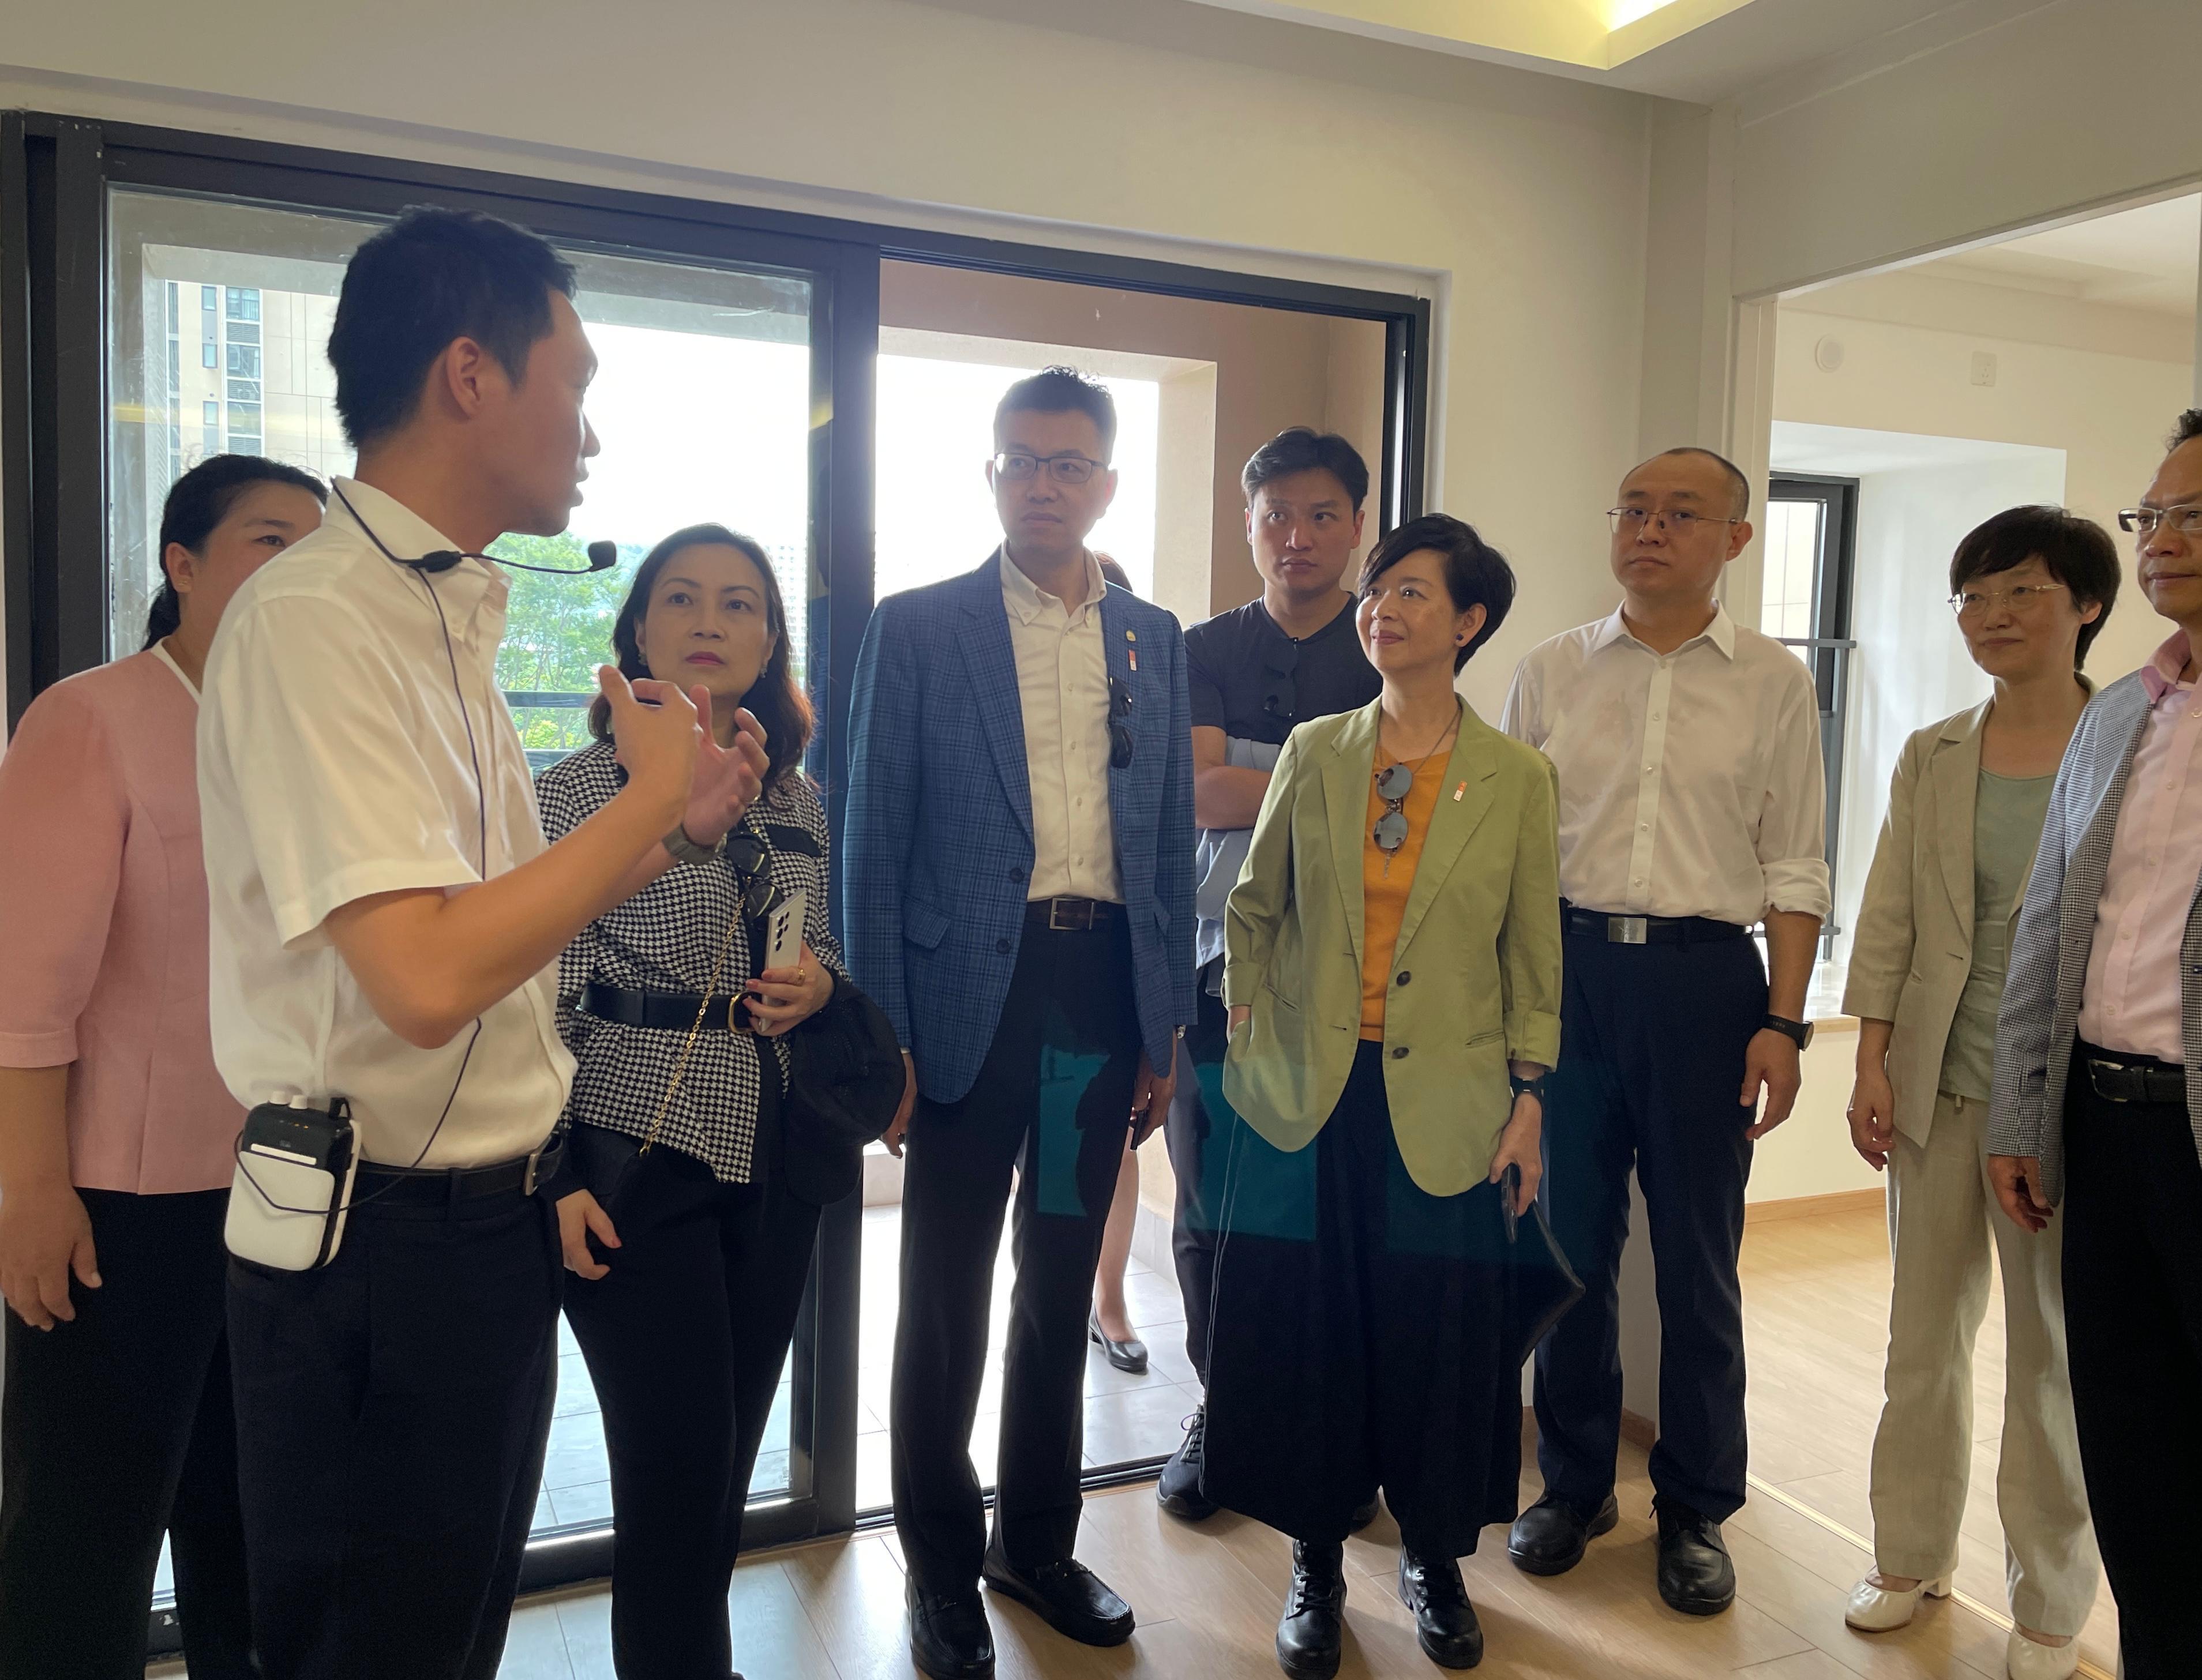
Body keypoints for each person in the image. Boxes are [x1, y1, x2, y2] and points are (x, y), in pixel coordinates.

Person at [195, 208, 765, 1680]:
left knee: (440, 1632)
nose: (588, 432)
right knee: (371, 1646)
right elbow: (432, 977)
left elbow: (496, 926)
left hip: (480, 1220)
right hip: (377, 1235)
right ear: (469, 374)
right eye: (572, 385)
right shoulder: (321, 615)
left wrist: (666, 827)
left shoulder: (440, 608)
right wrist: (638, 796)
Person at [846, 366, 1195, 1680]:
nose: (1044, 482)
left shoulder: (1149, 636)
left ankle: (1035, 1544)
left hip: (1091, 1006)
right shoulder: (920, 625)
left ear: (1106, 481)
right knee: (940, 1296)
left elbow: (1162, 840)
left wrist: (1157, 1027)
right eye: (1020, 460)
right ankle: (939, 1562)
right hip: (959, 1010)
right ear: (990, 476)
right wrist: (884, 1037)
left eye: (1070, 462)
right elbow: (870, 844)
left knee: (1058, 1281)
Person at [1203, 513, 1563, 1679]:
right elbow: (1255, 903)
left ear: (1466, 622)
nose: (1380, 608)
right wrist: (1246, 1022)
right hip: (1311, 1091)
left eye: (1410, 592)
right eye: (1376, 591)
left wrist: (1528, 1095)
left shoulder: (1517, 776)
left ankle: (1434, 1557)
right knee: (1314, 1330)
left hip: (1452, 1098)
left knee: (1438, 1337)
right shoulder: (1317, 747)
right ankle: (1314, 1562)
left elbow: (1530, 947)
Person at [0, 456, 325, 1680]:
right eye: (267, 540)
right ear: (181, 565)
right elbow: (24, 993)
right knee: (86, 1532)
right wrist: (32, 1192)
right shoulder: (92, 715)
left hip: (288, 1189)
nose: (301, 570)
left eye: (319, 547)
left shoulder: (308, 738)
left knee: (253, 1523)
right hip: (122, 1207)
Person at [1502, 447, 1829, 1617]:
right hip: (1569, 973)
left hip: (1706, 988)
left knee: (1697, 1262)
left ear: (1735, 538)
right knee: (1566, 1248)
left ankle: (1695, 1504)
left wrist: (1784, 1019)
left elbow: (1796, 860)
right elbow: (1511, 854)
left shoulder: (1774, 683)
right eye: (1633, 508)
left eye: (1681, 512)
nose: (1649, 528)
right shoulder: (1549, 669)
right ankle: (1576, 1482)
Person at [539, 525, 844, 1679]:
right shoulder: (571, 791)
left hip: (772, 1148)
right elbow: (530, 997)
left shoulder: (795, 799)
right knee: (672, 1470)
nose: (710, 619)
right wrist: (553, 1168)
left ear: (770, 640)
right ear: (637, 631)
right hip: (628, 1148)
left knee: (718, 1472)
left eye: (738, 602)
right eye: (681, 597)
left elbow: (820, 944)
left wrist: (818, 975)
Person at [1840, 508, 2116, 1680]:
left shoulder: (2133, 742)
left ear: (2086, 605)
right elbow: (1892, 907)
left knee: (2050, 1356)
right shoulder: (1934, 748)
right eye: (1973, 597)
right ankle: (1907, 1554)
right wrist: (1869, 1053)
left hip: (2065, 1098)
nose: (1992, 617)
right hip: (1935, 1085)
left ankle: (2050, 1601)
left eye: (2020, 593)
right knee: (1921, 1339)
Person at [1989, 409, 2202, 1680]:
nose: (2163, 541)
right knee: (2130, 1432)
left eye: (2192, 517)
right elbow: (2049, 924)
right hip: (2104, 1127)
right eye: (2153, 515)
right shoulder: (2122, 710)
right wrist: (2025, 1112)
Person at [1155, 427, 1382, 1520]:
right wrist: (1337, 776)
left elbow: (1410, 804)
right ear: (1247, 527)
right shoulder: (1202, 645)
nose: (1297, 537)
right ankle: (1223, 1411)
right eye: (1275, 516)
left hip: (1362, 979)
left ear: (1356, 526)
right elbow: (1197, 796)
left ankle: (1338, 1432)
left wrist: (1251, 765)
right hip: (1221, 968)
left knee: (1338, 1214)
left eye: (1321, 515)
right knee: (1211, 1206)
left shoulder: (1386, 639)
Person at [1085, 552, 1151, 1377]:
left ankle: (1108, 1299)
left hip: (1111, 962)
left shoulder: (1144, 711)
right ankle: (1050, 1297)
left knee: (1113, 1144)